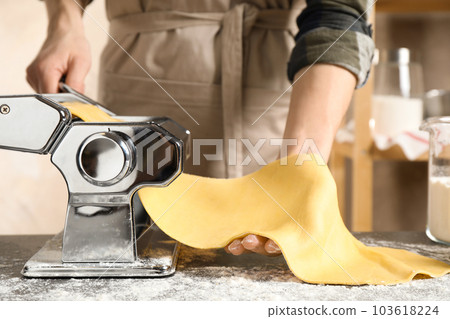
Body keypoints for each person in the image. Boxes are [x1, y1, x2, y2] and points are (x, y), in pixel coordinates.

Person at [27, 0, 374, 256]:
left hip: (281, 97)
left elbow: (339, 15)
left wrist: (298, 172)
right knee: (127, 252)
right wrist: (65, 24)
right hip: (140, 81)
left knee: (274, 244)